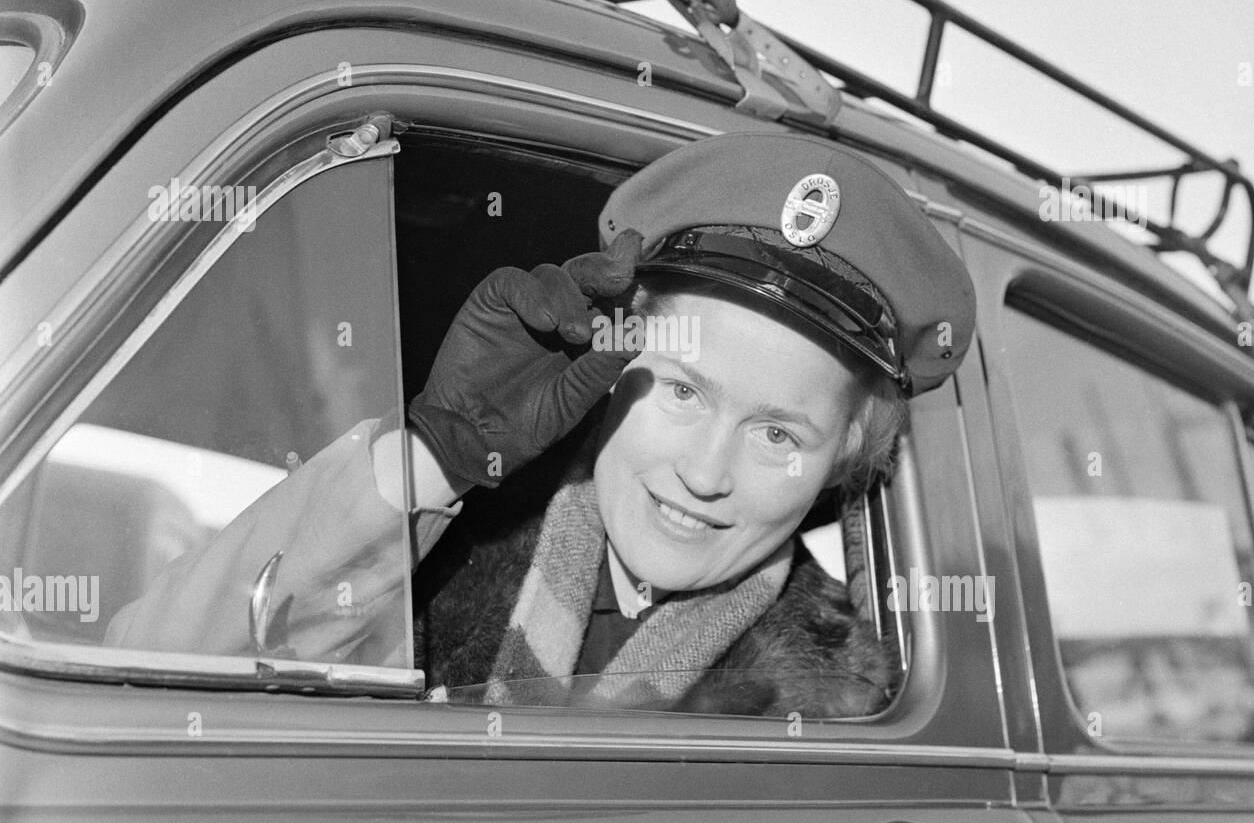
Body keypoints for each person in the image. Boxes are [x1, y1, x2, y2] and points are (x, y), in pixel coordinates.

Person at [106, 131, 975, 718]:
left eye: (778, 434)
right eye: (682, 392)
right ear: (612, 359)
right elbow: (139, 679)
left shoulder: (849, 710)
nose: (707, 472)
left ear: (843, 460)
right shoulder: (432, 557)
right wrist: (427, 460)